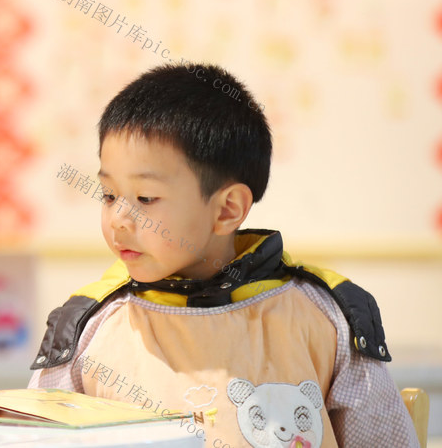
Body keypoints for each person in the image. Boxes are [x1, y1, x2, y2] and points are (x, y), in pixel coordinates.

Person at [28, 63, 418, 447]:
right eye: (109, 195)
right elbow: (35, 439)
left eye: (145, 198)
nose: (118, 220)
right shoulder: (87, 327)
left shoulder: (328, 315)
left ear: (228, 209)